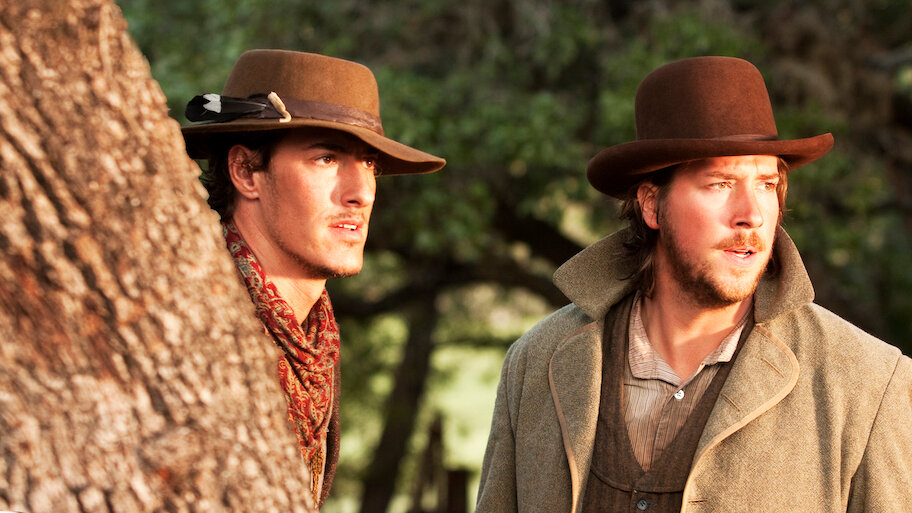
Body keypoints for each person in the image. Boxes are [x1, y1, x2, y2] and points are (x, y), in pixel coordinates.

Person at [475, 56, 912, 512]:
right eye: (720, 184)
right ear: (651, 204)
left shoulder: (869, 384)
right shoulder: (535, 362)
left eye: (766, 185)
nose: (752, 215)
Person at [181, 49, 445, 510]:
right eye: (326, 158)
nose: (360, 193)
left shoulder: (315, 342)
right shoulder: (193, 322)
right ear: (245, 172)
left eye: (370, 164)